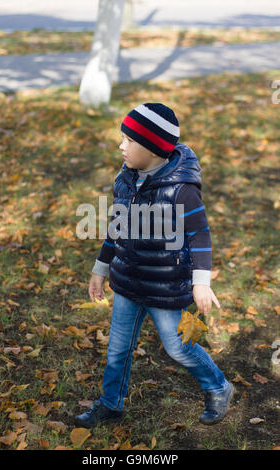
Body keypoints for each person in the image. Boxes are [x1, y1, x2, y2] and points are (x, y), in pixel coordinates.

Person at [74, 103, 234, 428]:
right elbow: (117, 226)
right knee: (117, 348)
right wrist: (101, 266)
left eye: (128, 140)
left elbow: (200, 234)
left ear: (152, 147)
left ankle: (218, 386)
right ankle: (111, 403)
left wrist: (201, 281)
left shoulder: (182, 190)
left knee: (178, 347)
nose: (121, 145)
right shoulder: (125, 179)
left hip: (166, 286)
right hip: (128, 282)